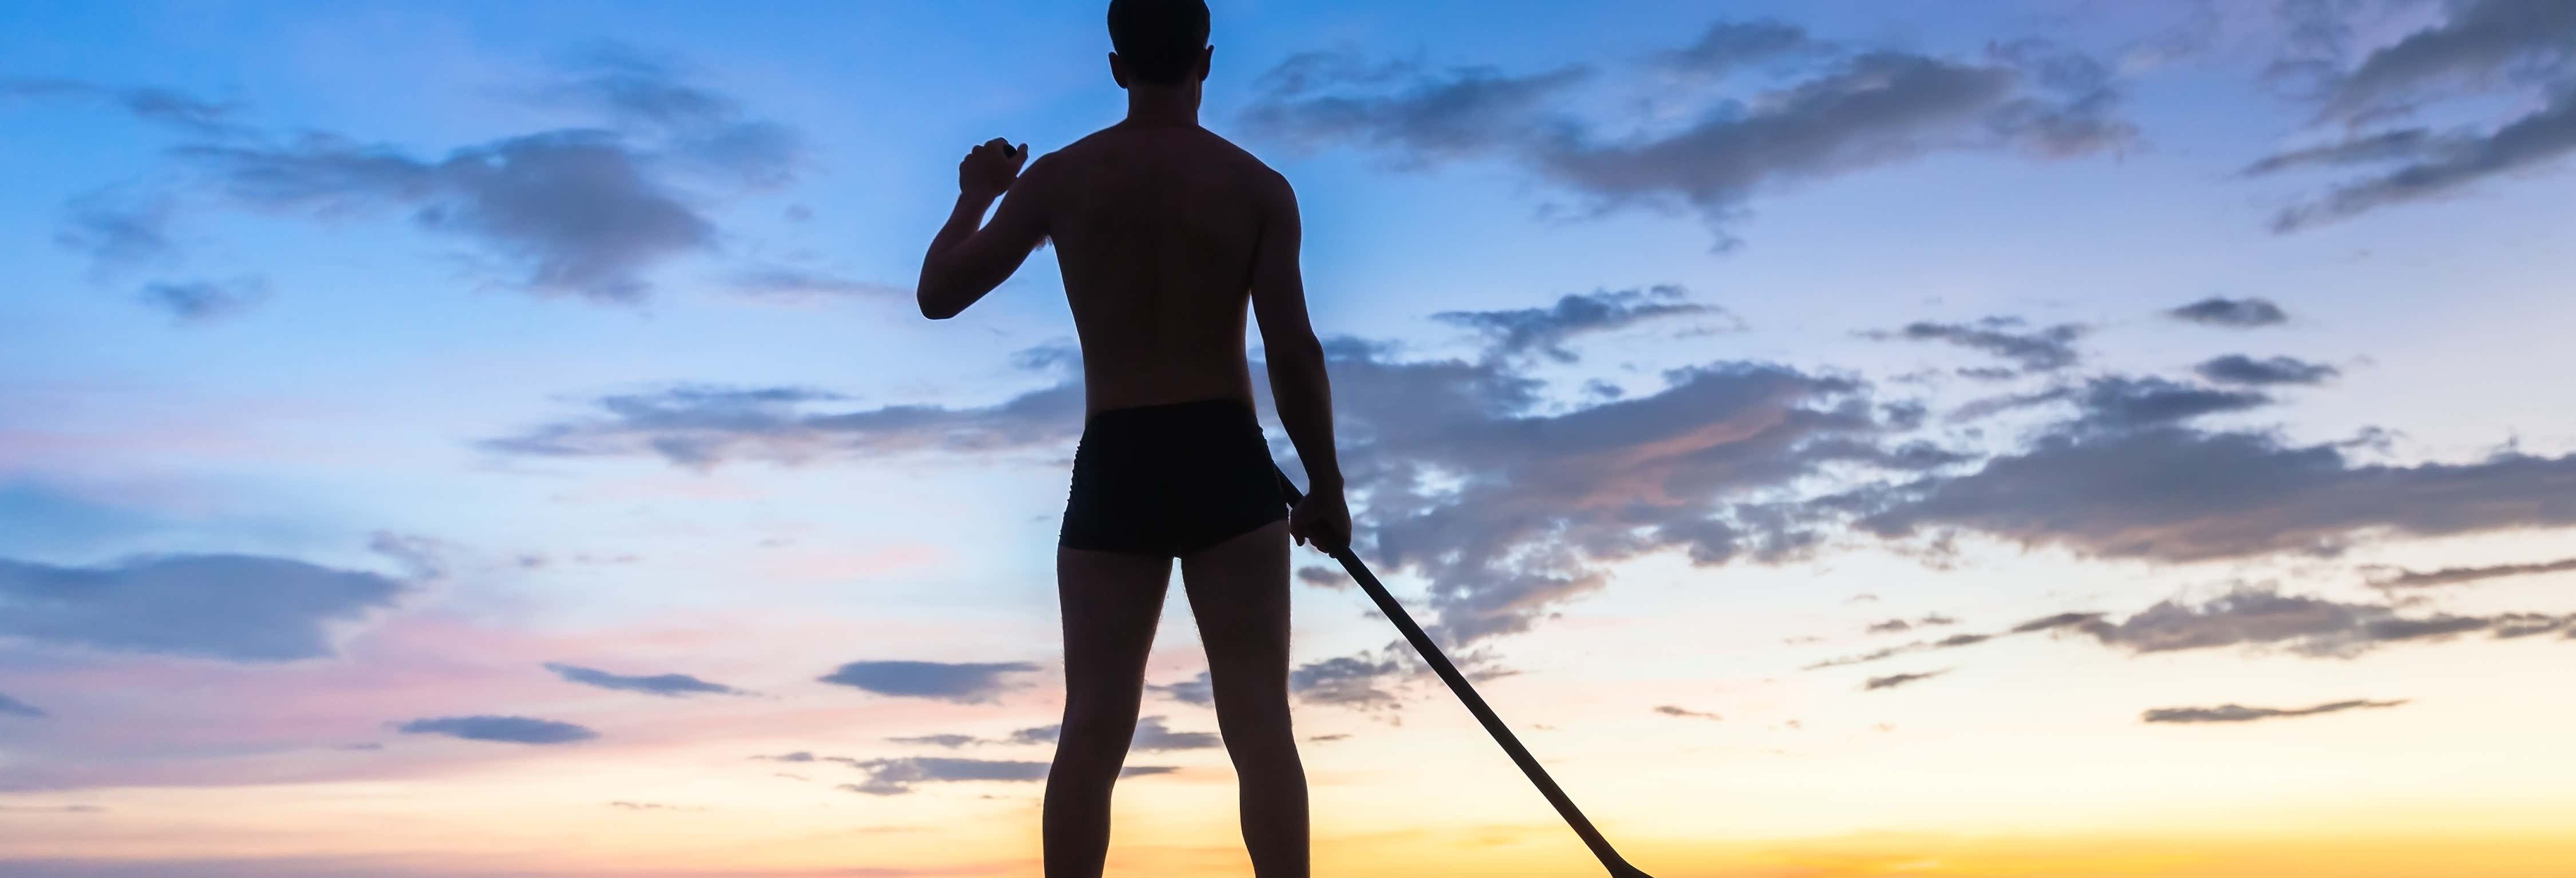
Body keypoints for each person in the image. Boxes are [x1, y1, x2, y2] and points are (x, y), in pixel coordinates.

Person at [912, 1, 1346, 876]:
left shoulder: (1062, 181)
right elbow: (1291, 350)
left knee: (1095, 726)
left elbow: (940, 292)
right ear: (1207, 62)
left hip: (1119, 458)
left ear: (1117, 67)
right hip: (1228, 454)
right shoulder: (1257, 187)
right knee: (1261, 722)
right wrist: (1327, 486)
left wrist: (975, 195)